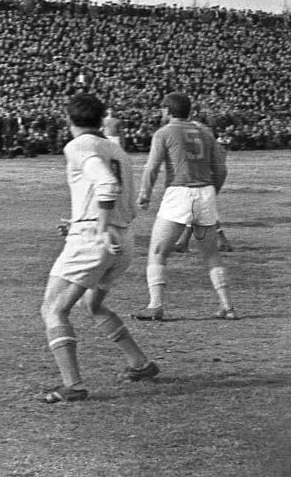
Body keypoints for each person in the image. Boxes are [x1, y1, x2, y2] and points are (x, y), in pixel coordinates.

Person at [38, 93, 159, 404]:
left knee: (53, 309)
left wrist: (97, 227)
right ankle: (140, 364)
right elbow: (122, 201)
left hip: (96, 239)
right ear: (100, 117)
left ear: (69, 119)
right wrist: (84, 220)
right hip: (123, 238)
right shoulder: (115, 148)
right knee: (92, 305)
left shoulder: (78, 145)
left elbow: (106, 185)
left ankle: (72, 385)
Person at [133, 92, 236, 321]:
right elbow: (221, 169)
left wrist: (144, 194)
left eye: (162, 109)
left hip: (179, 192)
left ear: (168, 111)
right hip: (205, 191)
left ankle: (155, 305)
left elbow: (152, 167)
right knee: (211, 254)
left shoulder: (164, 132)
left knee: (158, 251)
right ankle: (227, 306)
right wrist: (211, 192)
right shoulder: (205, 133)